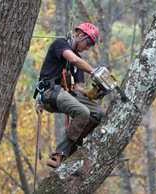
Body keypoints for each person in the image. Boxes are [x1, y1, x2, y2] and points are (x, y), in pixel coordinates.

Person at [34, 22, 105, 168]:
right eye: (88, 42)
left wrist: (91, 93)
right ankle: (59, 154)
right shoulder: (60, 44)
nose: (88, 47)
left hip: (64, 93)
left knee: (97, 113)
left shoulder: (77, 60)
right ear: (80, 35)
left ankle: (70, 149)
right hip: (49, 92)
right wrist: (93, 72)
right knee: (83, 112)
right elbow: (73, 59)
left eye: (91, 45)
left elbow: (78, 88)